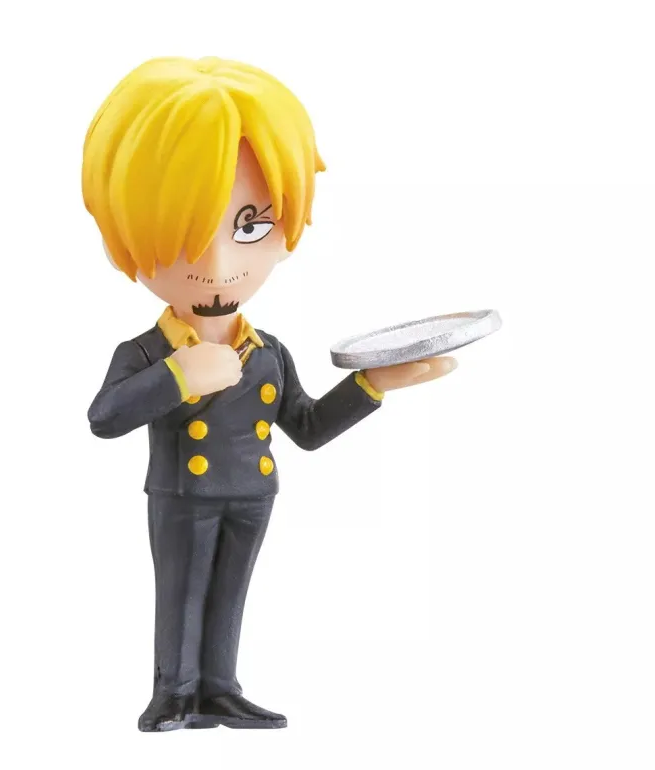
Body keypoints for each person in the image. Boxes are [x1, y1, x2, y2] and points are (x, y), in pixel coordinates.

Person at [83, 56, 455, 731]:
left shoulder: (269, 352)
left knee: (230, 594)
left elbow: (306, 427)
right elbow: (104, 418)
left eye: (249, 227)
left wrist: (373, 382)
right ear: (125, 241)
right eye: (187, 237)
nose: (220, 266)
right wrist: (178, 376)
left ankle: (219, 687)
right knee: (182, 592)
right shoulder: (147, 352)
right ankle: (174, 692)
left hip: (253, 493)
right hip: (184, 494)